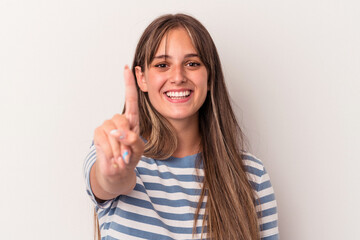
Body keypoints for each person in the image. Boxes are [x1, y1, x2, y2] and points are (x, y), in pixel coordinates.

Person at [84, 13, 279, 240]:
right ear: (142, 77)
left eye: (192, 64)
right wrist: (114, 174)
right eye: (162, 64)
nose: (178, 77)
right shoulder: (115, 154)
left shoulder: (251, 175)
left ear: (209, 77)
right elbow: (109, 181)